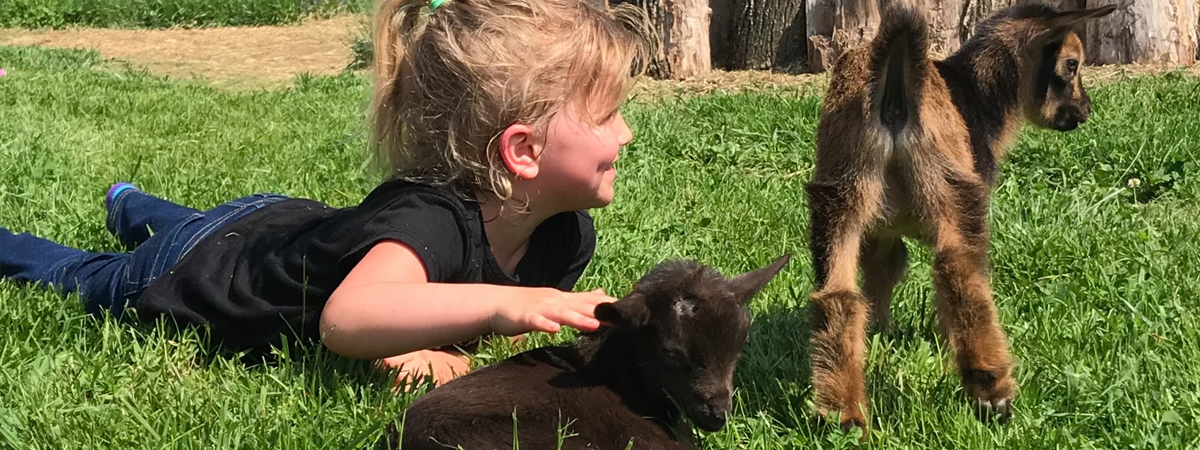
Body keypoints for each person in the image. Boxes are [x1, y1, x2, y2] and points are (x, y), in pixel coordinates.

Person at [0, 0, 649, 386]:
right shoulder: (432, 222)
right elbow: (348, 320)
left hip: (270, 225)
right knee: (85, 275)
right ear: (523, 153)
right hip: (192, 271)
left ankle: (127, 201)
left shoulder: (564, 234)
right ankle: (95, 220)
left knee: (199, 223)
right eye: (607, 115)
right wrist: (508, 305)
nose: (625, 133)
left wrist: (449, 344)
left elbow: (438, 315)